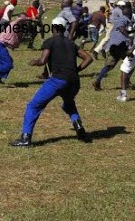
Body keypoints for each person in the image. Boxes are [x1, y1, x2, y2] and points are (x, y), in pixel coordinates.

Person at [10, 17, 94, 147]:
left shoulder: (50, 41)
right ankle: (79, 129)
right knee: (69, 105)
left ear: (54, 27)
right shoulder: (71, 43)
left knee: (33, 106)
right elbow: (88, 58)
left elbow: (43, 60)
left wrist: (35, 62)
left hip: (58, 81)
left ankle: (26, 137)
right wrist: (76, 70)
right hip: (74, 82)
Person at [0, 13, 27, 86]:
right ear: (18, 18)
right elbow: (20, 19)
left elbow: (17, 40)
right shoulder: (14, 23)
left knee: (7, 63)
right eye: (23, 18)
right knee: (8, 64)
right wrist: (31, 18)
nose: (24, 21)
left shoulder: (18, 28)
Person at [92, 14, 132, 91]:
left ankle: (98, 81)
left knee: (109, 66)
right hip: (120, 46)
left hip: (113, 46)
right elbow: (125, 31)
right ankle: (126, 81)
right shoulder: (126, 21)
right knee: (130, 63)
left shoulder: (118, 21)